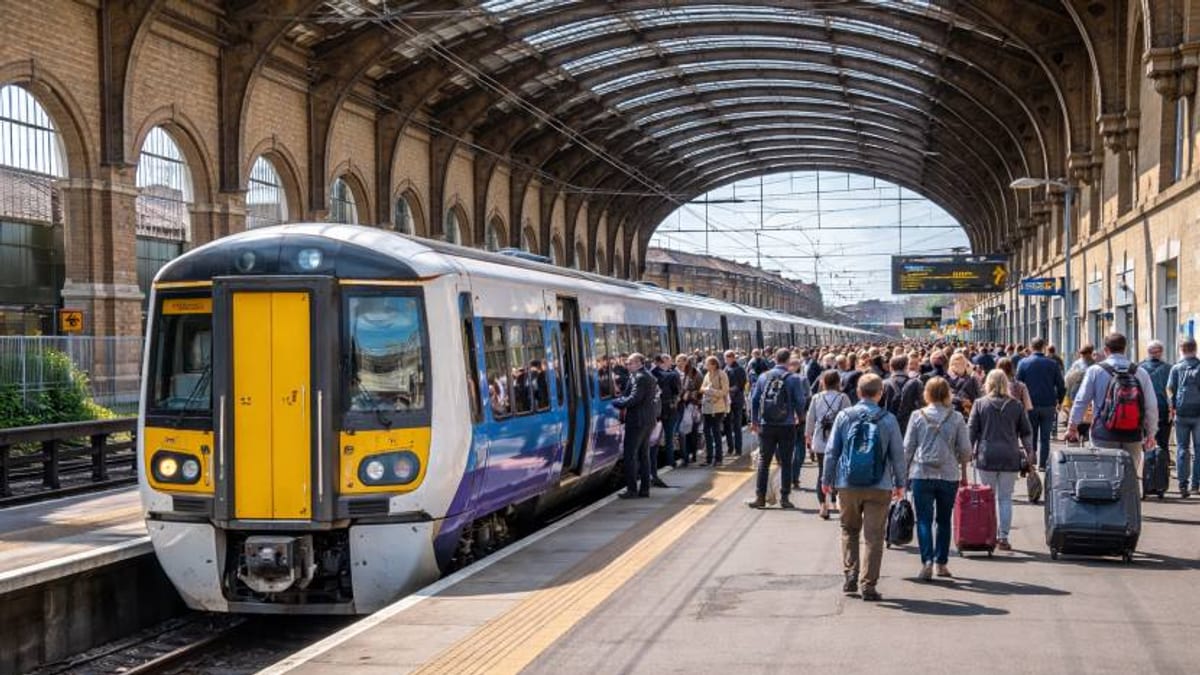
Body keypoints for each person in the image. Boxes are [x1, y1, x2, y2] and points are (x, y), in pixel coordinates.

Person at [822, 374, 906, 601]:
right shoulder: (889, 419)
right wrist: (900, 483)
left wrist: (826, 480)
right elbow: (898, 455)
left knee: (849, 530)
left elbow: (831, 452)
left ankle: (850, 574)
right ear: (881, 393)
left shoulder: (844, 416)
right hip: (880, 485)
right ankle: (868, 585)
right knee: (874, 536)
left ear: (858, 392)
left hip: (847, 483)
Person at [1067, 333, 1159, 486]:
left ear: (1105, 350)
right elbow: (1151, 406)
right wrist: (1151, 433)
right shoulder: (1140, 372)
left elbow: (1081, 400)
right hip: (1133, 432)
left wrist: (1072, 427)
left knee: (1104, 476)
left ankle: (1108, 500)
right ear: (1125, 348)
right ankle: (1127, 500)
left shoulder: (1095, 371)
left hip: (1103, 432)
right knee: (1129, 476)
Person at [904, 377, 972, 580]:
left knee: (923, 520)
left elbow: (907, 448)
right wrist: (962, 466)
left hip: (921, 473)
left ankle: (926, 561)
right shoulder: (956, 417)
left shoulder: (917, 415)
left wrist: (902, 474)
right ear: (947, 394)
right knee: (943, 520)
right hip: (948, 474)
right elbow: (966, 449)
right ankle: (941, 563)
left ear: (927, 393)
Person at [969, 370, 1034, 551]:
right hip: (1009, 456)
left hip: (986, 456)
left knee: (987, 498)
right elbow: (1026, 432)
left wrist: (967, 451)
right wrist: (1030, 452)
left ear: (987, 383)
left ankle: (987, 535)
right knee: (1005, 498)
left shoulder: (980, 404)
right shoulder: (1016, 405)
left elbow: (971, 430)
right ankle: (1003, 537)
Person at [748, 349, 810, 509]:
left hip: (766, 424)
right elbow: (800, 401)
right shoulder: (794, 378)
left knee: (764, 461)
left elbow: (754, 399)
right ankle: (785, 498)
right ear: (788, 360)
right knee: (786, 461)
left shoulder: (763, 376)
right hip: (787, 424)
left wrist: (754, 421)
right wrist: (800, 416)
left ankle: (760, 497)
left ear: (775, 359)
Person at [612, 353, 659, 499]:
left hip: (638, 422)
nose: (627, 365)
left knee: (630, 455)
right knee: (643, 455)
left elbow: (634, 399)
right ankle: (644, 489)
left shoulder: (640, 377)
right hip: (647, 420)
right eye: (627, 363)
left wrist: (615, 403)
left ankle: (632, 490)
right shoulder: (645, 376)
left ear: (639, 363)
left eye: (630, 363)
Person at [806, 369, 851, 519]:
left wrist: (808, 435)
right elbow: (849, 418)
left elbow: (810, 418)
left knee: (822, 471)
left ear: (823, 382)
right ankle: (835, 500)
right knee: (838, 471)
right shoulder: (843, 397)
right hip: (839, 438)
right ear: (838, 382)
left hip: (820, 438)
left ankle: (823, 505)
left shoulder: (817, 397)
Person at [1016, 337, 1067, 469]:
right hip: (1048, 404)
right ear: (1044, 347)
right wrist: (1059, 400)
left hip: (1029, 404)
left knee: (1030, 434)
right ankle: (1043, 464)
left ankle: (1031, 462)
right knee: (1045, 437)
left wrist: (1019, 402)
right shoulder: (1052, 364)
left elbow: (1017, 383)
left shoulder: (1023, 363)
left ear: (1031, 347)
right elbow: (1061, 385)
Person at [1166, 338, 1200, 498]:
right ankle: (1195, 484)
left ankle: (1182, 485)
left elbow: (1169, 389)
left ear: (1182, 350)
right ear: (1195, 349)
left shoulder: (1176, 368)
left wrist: (1172, 408)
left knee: (1182, 449)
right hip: (1198, 414)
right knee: (1198, 449)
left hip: (1181, 414)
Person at [650, 355, 681, 484]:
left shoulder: (650, 374)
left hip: (654, 411)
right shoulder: (672, 375)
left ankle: (653, 466)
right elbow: (677, 391)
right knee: (669, 436)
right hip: (669, 409)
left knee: (653, 440)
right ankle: (670, 461)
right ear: (663, 362)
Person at [1139, 340, 1173, 454]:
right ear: (1161, 352)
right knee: (1163, 442)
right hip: (1162, 408)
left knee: (1145, 441)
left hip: (1144, 408)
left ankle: (1147, 463)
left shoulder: (1139, 368)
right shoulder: (1169, 368)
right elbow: (1172, 391)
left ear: (1148, 352)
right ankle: (1163, 462)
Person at [700, 355, 730, 466]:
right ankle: (708, 457)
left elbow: (725, 390)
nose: (705, 365)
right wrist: (706, 390)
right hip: (707, 408)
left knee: (716, 432)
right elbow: (701, 388)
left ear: (713, 364)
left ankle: (718, 458)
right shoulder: (707, 375)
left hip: (717, 408)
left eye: (707, 363)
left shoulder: (722, 374)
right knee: (706, 432)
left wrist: (712, 392)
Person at [881, 354, 919, 434]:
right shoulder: (916, 383)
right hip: (909, 425)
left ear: (891, 367)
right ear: (906, 366)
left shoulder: (884, 384)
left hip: (888, 424)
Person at [677, 354, 703, 465]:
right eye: (678, 361)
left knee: (693, 432)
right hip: (681, 406)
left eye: (682, 361)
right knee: (682, 433)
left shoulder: (696, 373)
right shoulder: (676, 373)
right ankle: (685, 457)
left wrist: (691, 394)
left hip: (693, 406)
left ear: (687, 362)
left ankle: (693, 455)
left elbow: (701, 390)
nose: (679, 363)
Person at [723, 350, 748, 457]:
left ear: (733, 358)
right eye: (725, 358)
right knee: (727, 424)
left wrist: (729, 391)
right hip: (728, 400)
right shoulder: (726, 368)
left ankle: (738, 449)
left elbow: (741, 384)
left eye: (727, 358)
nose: (726, 360)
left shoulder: (739, 369)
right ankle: (730, 448)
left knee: (737, 425)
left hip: (736, 400)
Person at [946, 352, 981, 416]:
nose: (958, 366)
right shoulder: (946, 378)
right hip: (957, 413)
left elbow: (978, 397)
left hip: (968, 412)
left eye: (961, 364)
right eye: (956, 364)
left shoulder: (972, 379)